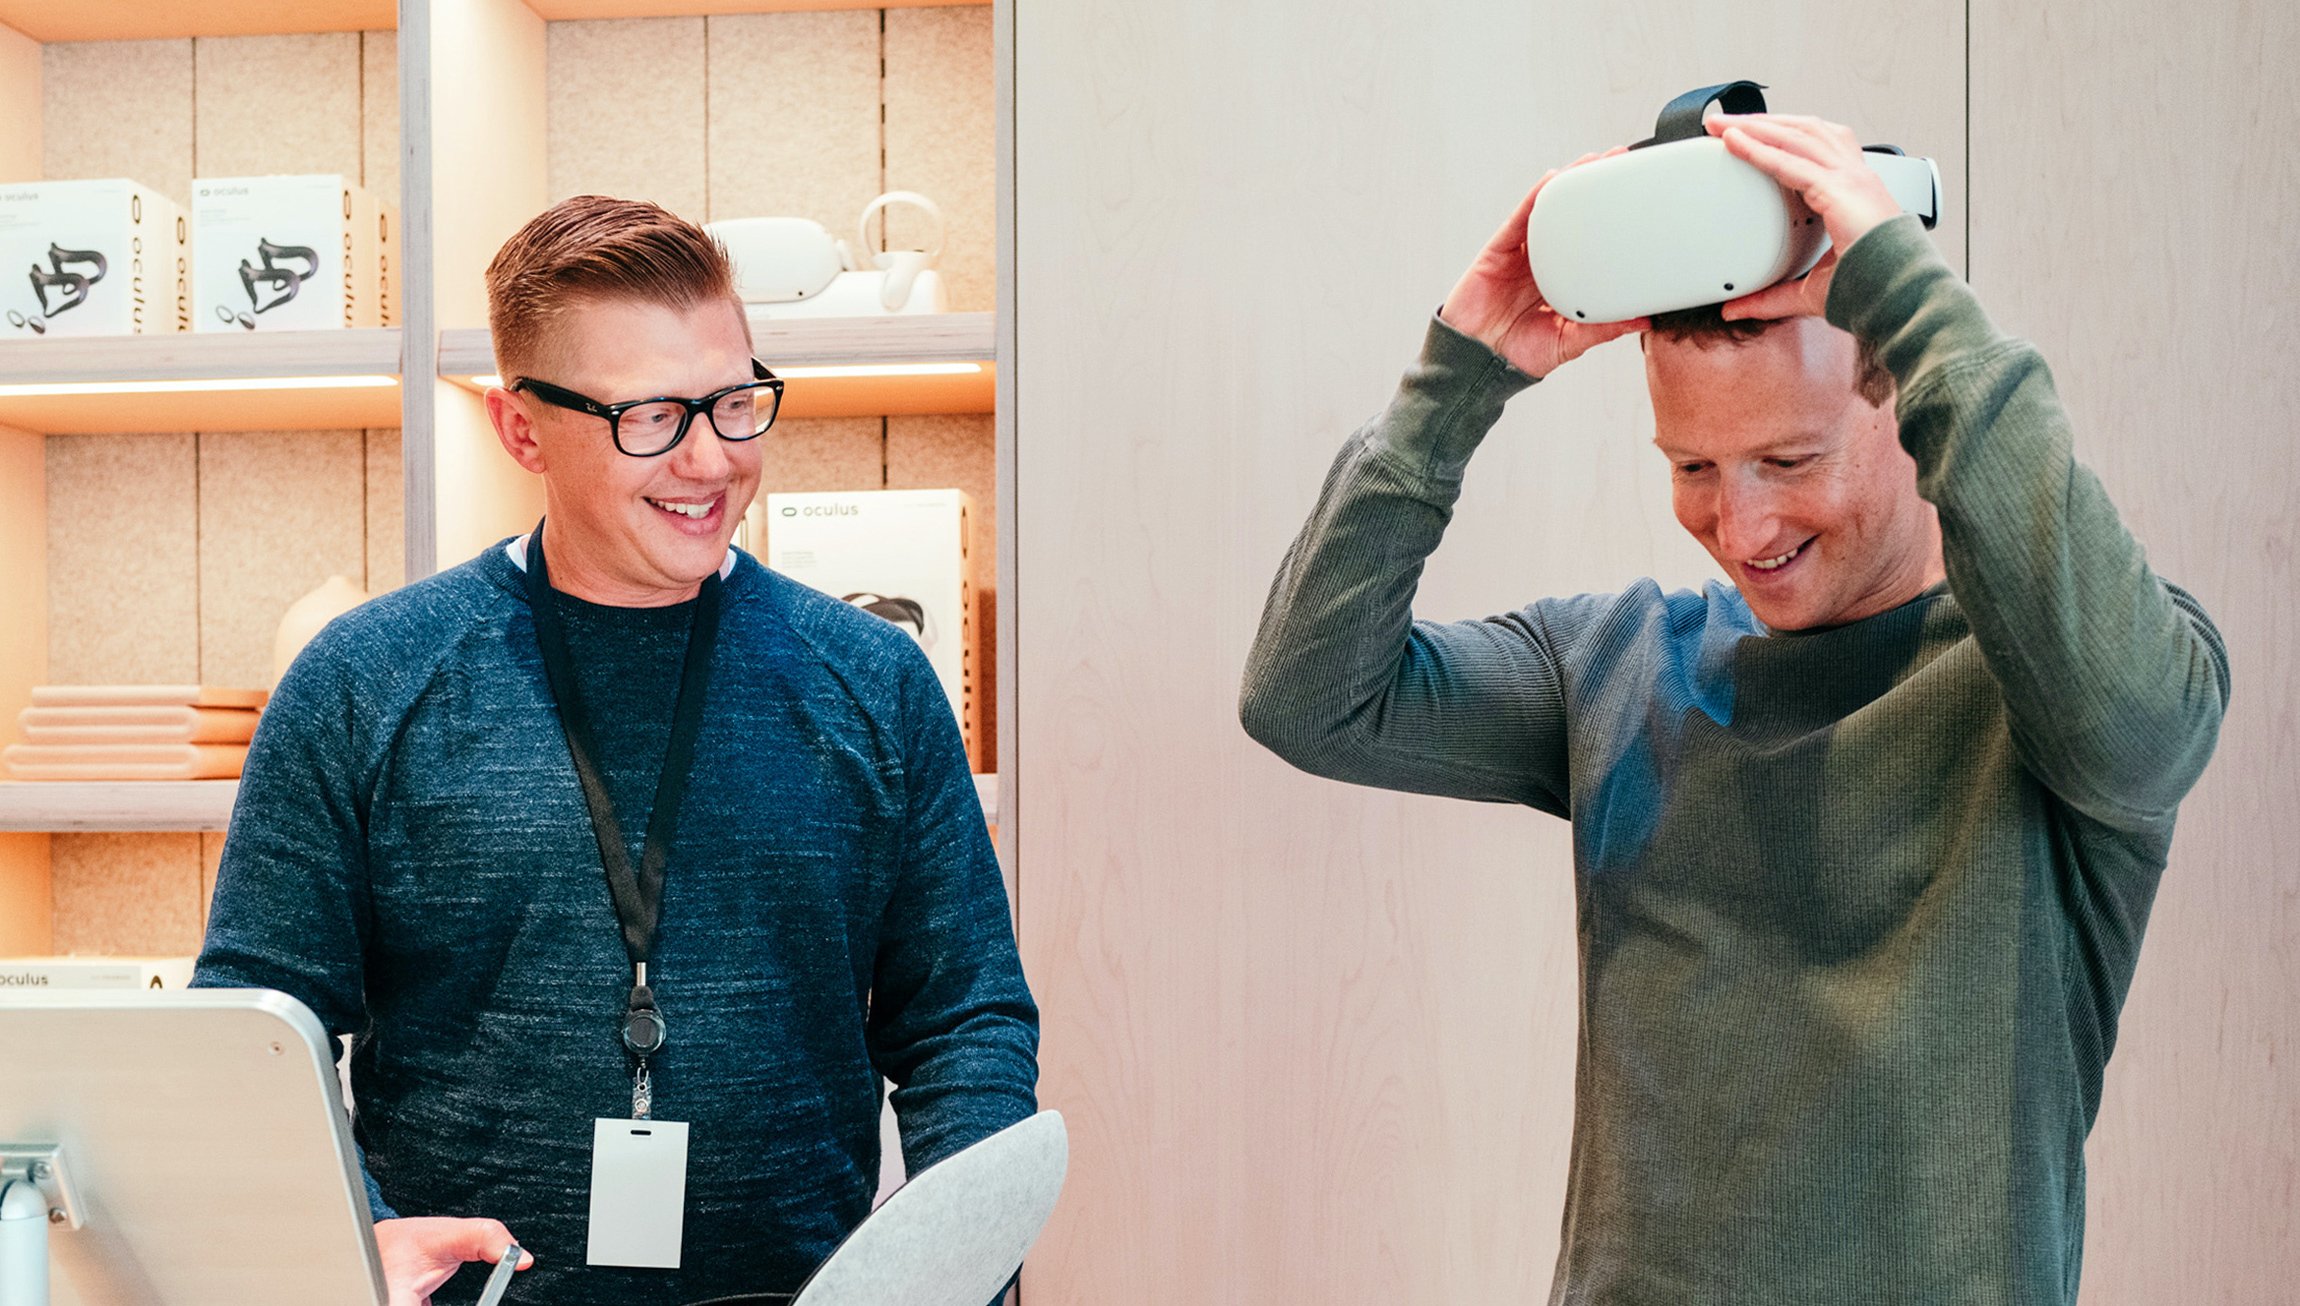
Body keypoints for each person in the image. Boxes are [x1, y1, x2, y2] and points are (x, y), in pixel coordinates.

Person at [1238, 111, 2229, 1303]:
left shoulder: (2055, 681)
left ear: (1911, 404)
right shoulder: (1612, 664)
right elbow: (1307, 696)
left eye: (1791, 461)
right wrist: (1457, 379)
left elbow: (2140, 728)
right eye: (1692, 468)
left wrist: (1917, 307)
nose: (1741, 528)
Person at [195, 195, 1038, 1305]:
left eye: (736, 402)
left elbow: (963, 1018)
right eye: (652, 415)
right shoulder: (365, 680)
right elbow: (255, 1026)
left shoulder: (874, 680)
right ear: (521, 427)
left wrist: (949, 1265)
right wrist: (356, 1240)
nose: (710, 459)